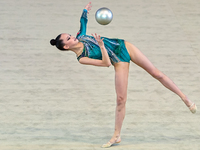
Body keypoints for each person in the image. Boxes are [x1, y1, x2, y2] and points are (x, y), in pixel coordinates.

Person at [50, 2, 197, 148]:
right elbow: (106, 63)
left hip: (123, 46)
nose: (72, 37)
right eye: (69, 39)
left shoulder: (81, 36)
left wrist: (85, 11)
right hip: (117, 60)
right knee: (121, 99)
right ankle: (116, 135)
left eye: (70, 35)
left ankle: (185, 99)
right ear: (66, 47)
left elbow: (83, 22)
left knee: (156, 73)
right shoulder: (82, 58)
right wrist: (101, 46)